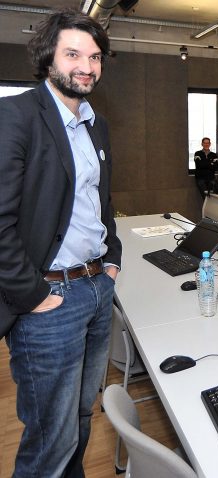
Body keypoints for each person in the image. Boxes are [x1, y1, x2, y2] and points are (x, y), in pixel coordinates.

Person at [0, 10, 121, 477]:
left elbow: (100, 201)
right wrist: (32, 296)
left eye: (94, 57)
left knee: (81, 418)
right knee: (50, 438)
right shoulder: (15, 116)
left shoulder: (97, 125)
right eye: (73, 54)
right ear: (48, 55)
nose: (86, 67)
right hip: (49, 301)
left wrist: (111, 260)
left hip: (96, 288)